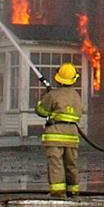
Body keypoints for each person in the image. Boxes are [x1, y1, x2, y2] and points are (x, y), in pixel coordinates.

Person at [34, 62, 83, 198]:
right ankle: (73, 190)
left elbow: (41, 111)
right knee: (71, 164)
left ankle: (58, 192)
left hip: (55, 134)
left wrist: (43, 98)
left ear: (59, 79)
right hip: (72, 135)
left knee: (56, 164)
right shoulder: (76, 96)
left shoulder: (53, 95)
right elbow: (77, 114)